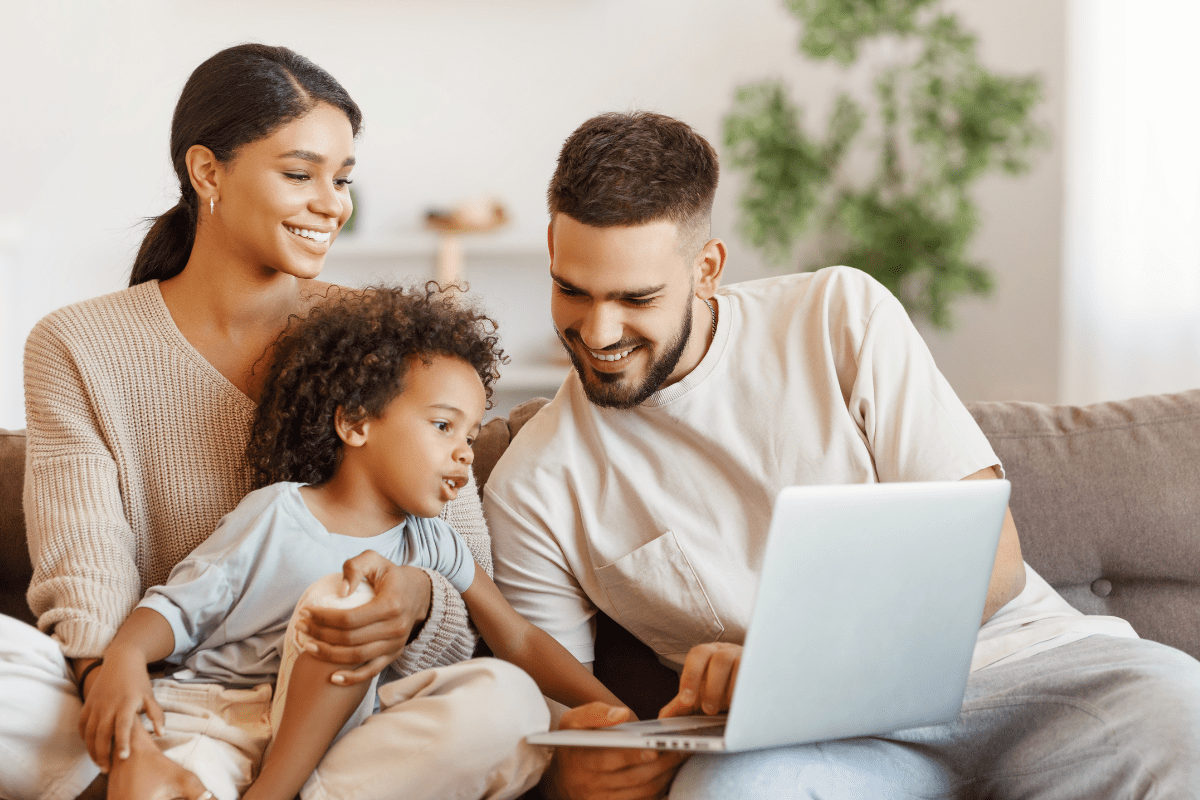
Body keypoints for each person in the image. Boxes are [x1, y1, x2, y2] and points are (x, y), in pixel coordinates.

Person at [483, 110, 1200, 799]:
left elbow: (995, 560)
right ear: (551, 247)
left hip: (1024, 669)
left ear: (707, 268)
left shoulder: (836, 315)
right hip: (811, 744)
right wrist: (566, 773)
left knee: (1180, 713)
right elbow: (564, 714)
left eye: (636, 298)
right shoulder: (531, 486)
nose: (598, 331)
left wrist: (782, 665)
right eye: (572, 290)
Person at [1, 44, 541, 800]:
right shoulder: (77, 345)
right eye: (300, 174)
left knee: (505, 709)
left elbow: (462, 574)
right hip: (156, 697)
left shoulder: (386, 339)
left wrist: (411, 604)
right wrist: (127, 724)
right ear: (207, 171)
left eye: (343, 178)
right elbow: (86, 573)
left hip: (343, 719)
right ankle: (160, 776)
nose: (333, 203)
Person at [80, 285, 622, 800]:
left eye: (472, 436)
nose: (463, 452)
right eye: (442, 426)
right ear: (356, 423)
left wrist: (623, 716)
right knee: (352, 594)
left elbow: (519, 639)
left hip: (339, 742)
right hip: (216, 720)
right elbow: (177, 610)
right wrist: (124, 658)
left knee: (517, 702)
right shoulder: (279, 513)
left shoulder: (435, 543)